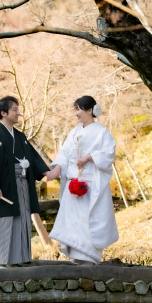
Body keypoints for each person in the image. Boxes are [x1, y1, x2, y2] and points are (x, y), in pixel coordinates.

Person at [0, 96, 54, 268]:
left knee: (21, 218)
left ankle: (18, 259)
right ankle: (0, 260)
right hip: (4, 186)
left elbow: (33, 158)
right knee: (4, 220)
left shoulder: (20, 137)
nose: (18, 113)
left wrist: (46, 171)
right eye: (14, 109)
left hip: (22, 184)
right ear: (3, 113)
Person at [47, 96, 118, 264]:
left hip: (91, 183)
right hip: (73, 182)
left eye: (79, 109)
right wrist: (57, 168)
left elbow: (109, 153)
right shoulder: (74, 132)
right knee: (73, 220)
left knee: (89, 219)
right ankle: (76, 255)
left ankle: (89, 256)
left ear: (90, 110)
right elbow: (64, 153)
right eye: (75, 109)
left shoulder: (101, 132)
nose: (76, 113)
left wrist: (89, 157)